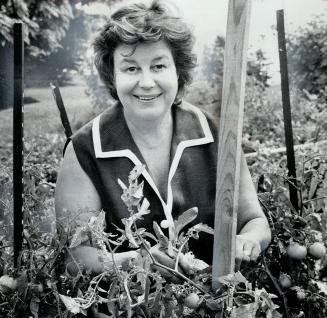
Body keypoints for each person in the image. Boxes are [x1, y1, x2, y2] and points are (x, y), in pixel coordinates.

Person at [55, 0, 271, 278]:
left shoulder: (217, 134)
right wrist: (137, 261)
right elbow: (75, 257)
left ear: (177, 72)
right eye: (131, 68)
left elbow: (255, 221)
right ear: (112, 75)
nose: (146, 82)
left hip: (215, 304)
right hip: (127, 315)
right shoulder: (85, 149)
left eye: (158, 66)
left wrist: (249, 241)